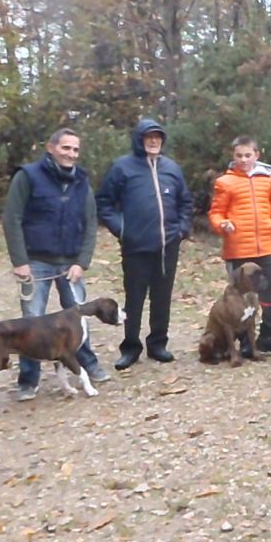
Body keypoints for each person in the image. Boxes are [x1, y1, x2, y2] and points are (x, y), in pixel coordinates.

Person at [2, 127, 111, 400]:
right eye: (66, 148)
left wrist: (82, 262)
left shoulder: (82, 182)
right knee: (31, 323)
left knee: (80, 319)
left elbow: (90, 225)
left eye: (75, 149)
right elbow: (11, 219)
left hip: (70, 264)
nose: (71, 154)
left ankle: (87, 365)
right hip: (35, 261)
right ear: (51, 148)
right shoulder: (27, 177)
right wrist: (20, 260)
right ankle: (28, 380)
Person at [97, 118, 193, 370]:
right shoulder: (122, 168)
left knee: (162, 298)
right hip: (135, 247)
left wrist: (182, 229)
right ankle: (130, 347)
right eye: (149, 136)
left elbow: (186, 202)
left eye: (158, 137)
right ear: (139, 139)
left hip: (167, 246)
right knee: (135, 299)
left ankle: (158, 344)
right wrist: (122, 229)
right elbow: (104, 203)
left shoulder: (172, 168)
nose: (153, 141)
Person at [208, 135, 271, 356]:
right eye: (239, 156)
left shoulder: (269, 179)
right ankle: (245, 342)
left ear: (257, 155)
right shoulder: (225, 182)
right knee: (241, 296)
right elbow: (216, 213)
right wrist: (221, 224)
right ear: (233, 156)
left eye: (248, 155)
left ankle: (268, 335)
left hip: (266, 246)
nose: (244, 160)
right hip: (238, 249)